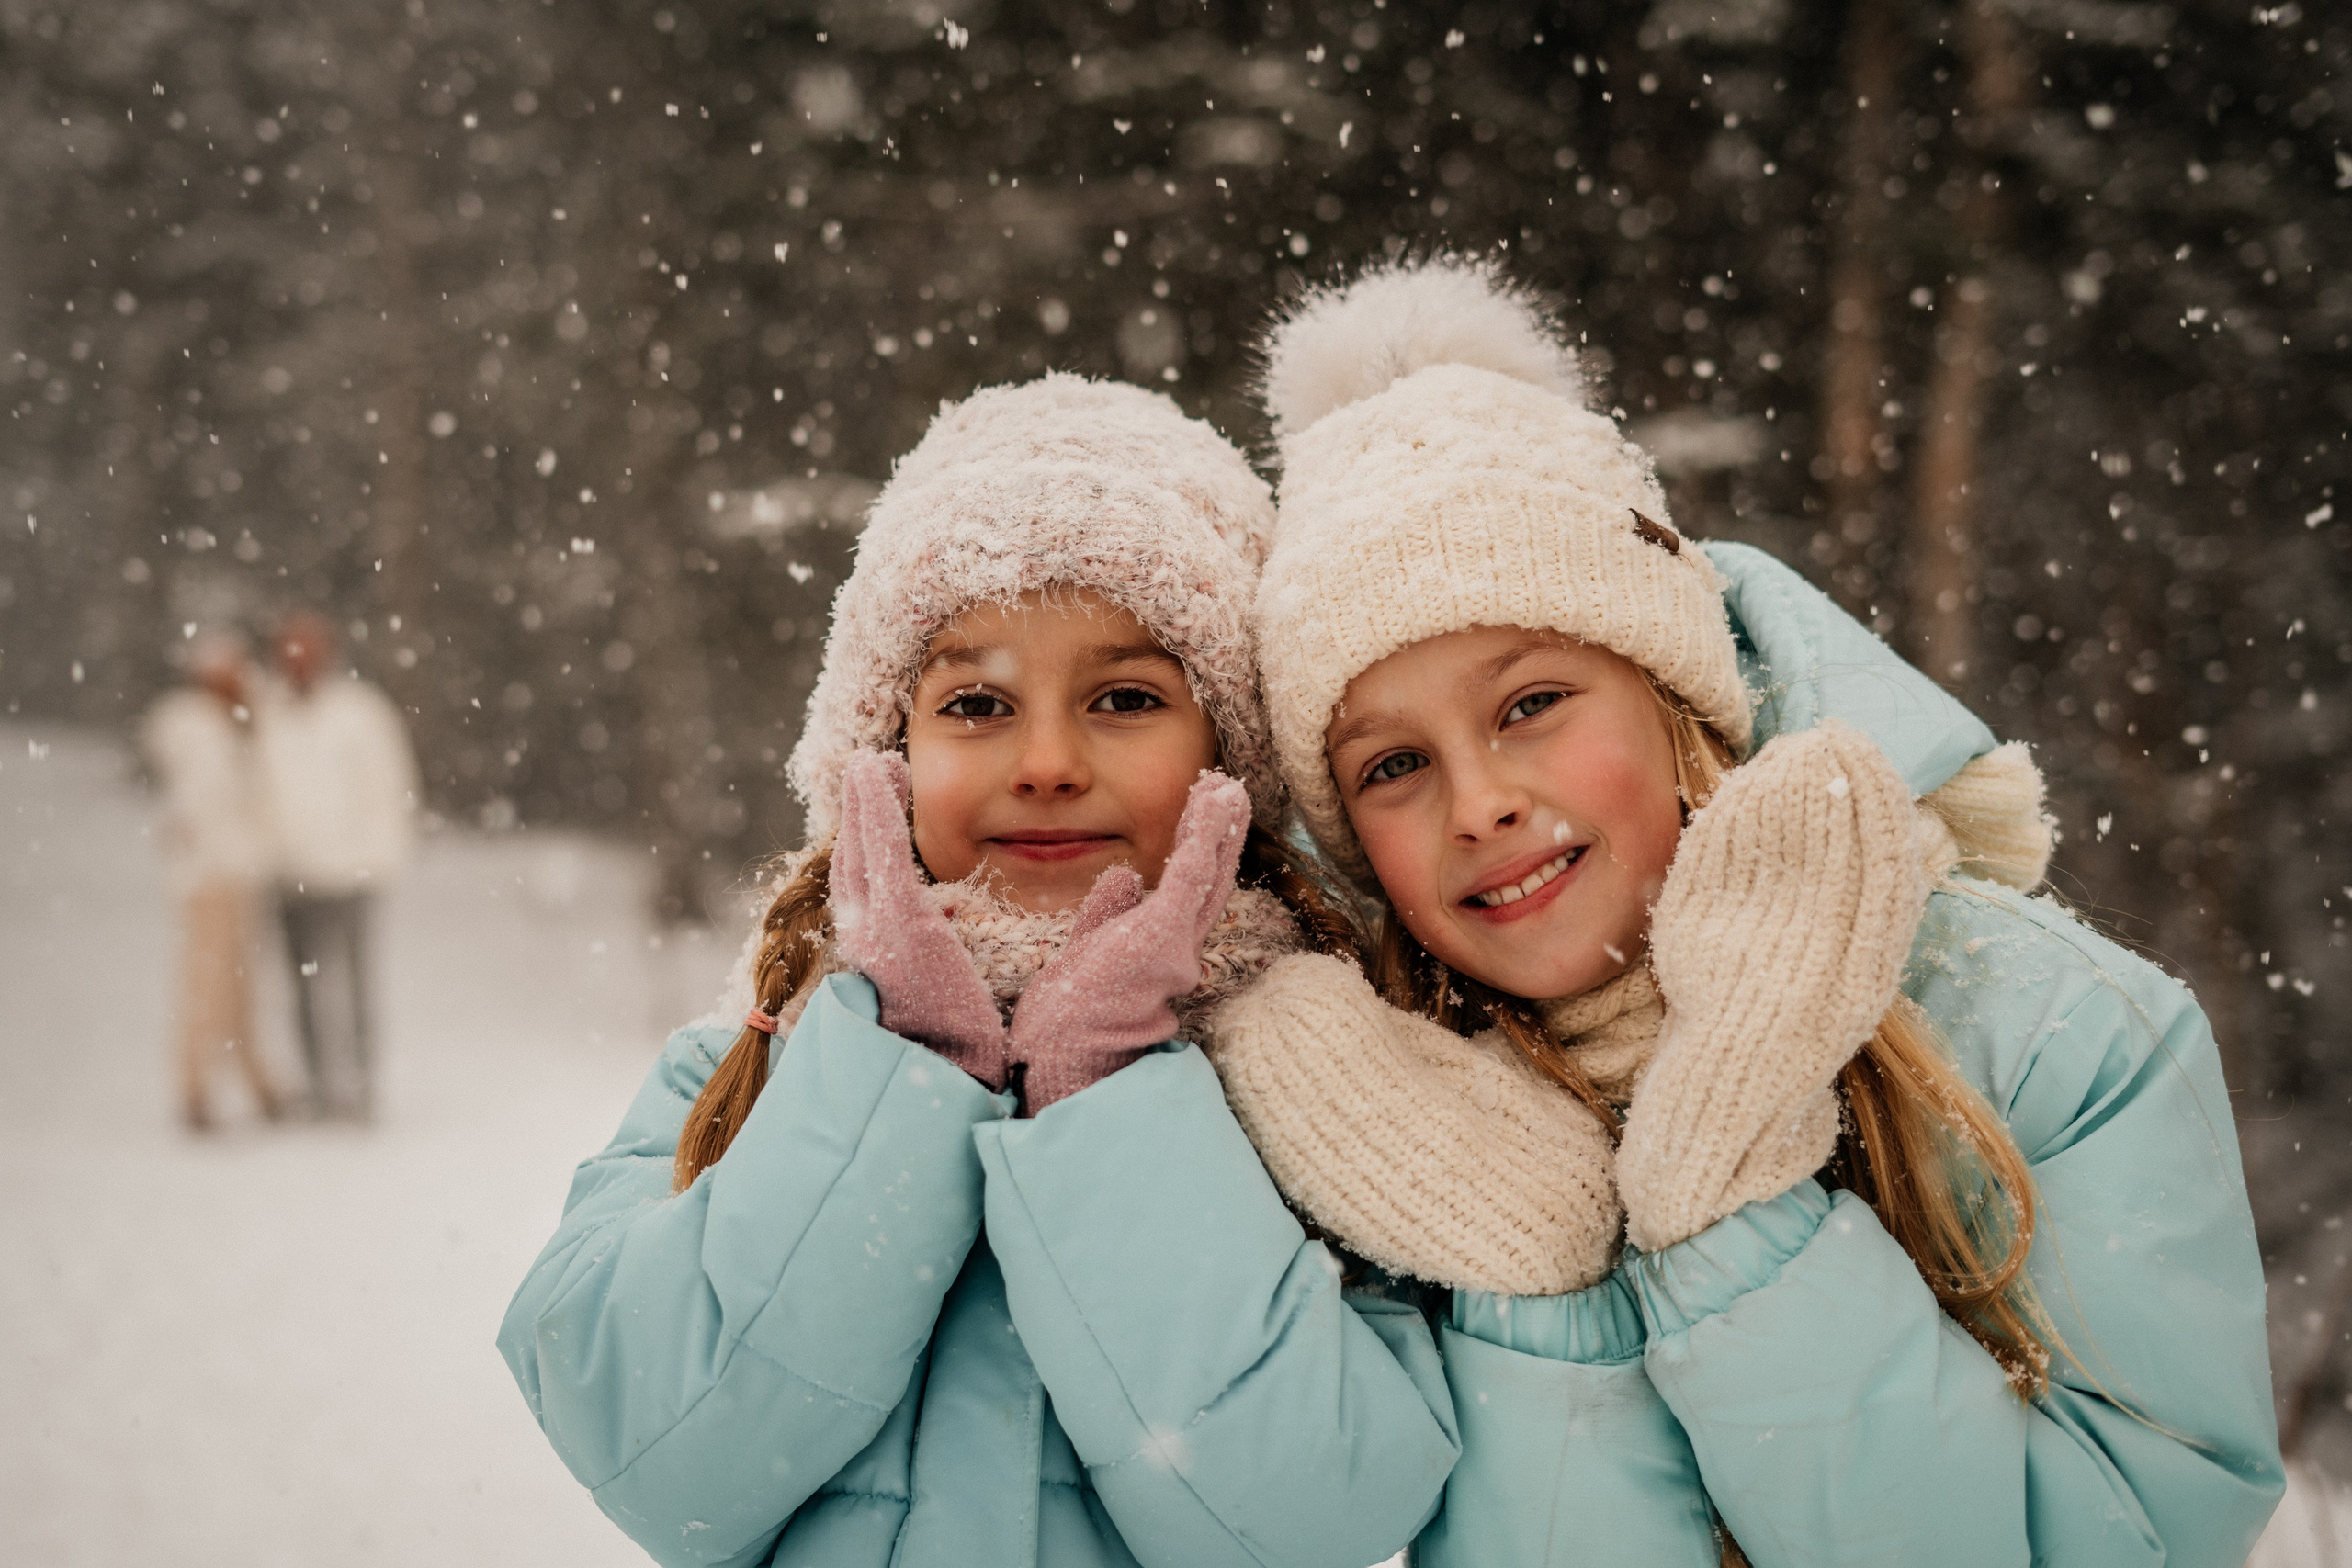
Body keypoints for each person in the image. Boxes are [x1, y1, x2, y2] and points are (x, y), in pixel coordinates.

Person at [1209, 258, 2285, 1565]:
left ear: (1676, 696)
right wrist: (1540, 1283)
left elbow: (2142, 1539)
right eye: (1393, 765)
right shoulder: (1380, 1110)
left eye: (1530, 702)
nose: (1479, 800)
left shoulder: (2054, 1035)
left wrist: (1733, 1205)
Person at [497, 375, 1464, 1568]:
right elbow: (662, 1457)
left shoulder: (1327, 1084)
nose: (1048, 759)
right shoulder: (748, 1066)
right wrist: (901, 1063)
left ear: (1234, 761)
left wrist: (1105, 1093)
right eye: (976, 701)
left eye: (1124, 697)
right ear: (886, 751)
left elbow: (1316, 1516)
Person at [254, 610, 419, 1120]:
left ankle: (361, 1089)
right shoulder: (265, 714)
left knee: (351, 986)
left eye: (307, 650)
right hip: (288, 873)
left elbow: (391, 786)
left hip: (350, 872)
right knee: (300, 987)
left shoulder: (360, 713)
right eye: (289, 651)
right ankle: (319, 1086)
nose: (298, 662)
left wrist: (379, 856)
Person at [140, 632, 282, 1130]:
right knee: (206, 985)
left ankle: (254, 1077)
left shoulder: (243, 721)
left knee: (241, 985)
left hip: (241, 873)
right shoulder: (191, 726)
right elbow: (202, 800)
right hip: (208, 876)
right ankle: (196, 1087)